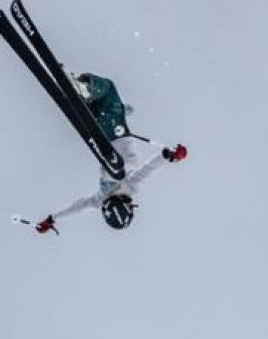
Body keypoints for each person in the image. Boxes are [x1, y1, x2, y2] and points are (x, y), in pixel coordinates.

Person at [31, 72, 188, 234]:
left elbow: (148, 170)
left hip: (115, 135)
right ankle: (82, 95)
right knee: (103, 107)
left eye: (130, 209)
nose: (132, 206)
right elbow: (78, 207)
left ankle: (83, 89)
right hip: (103, 136)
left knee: (109, 90)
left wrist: (168, 157)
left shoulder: (129, 189)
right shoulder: (100, 200)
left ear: (123, 208)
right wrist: (52, 219)